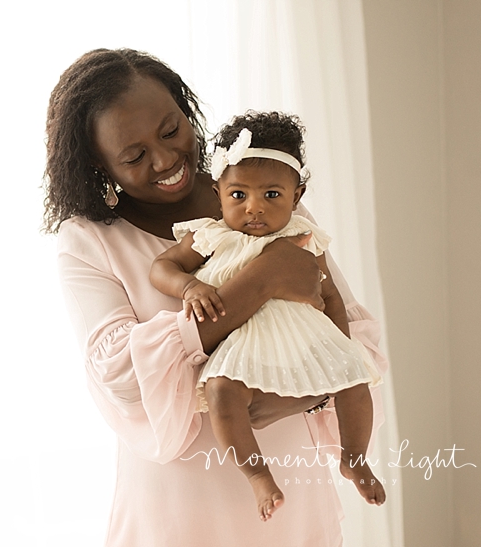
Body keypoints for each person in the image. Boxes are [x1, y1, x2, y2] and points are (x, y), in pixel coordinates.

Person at [44, 48, 388, 547]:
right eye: (135, 156)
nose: (164, 160)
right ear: (98, 164)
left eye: (170, 130)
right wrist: (262, 281)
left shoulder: (263, 195)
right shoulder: (90, 241)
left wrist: (305, 391)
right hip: (178, 514)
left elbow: (356, 343)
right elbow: (121, 376)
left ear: (187, 111)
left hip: (294, 500)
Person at [149, 111, 385, 522]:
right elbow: (161, 268)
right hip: (244, 343)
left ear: (296, 196)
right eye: (238, 196)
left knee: (355, 379)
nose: (254, 208)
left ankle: (354, 457)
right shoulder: (210, 235)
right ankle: (257, 473)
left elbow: (327, 293)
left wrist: (341, 351)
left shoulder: (302, 238)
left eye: (271, 195)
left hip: (303, 338)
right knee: (222, 393)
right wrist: (189, 286)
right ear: (218, 192)